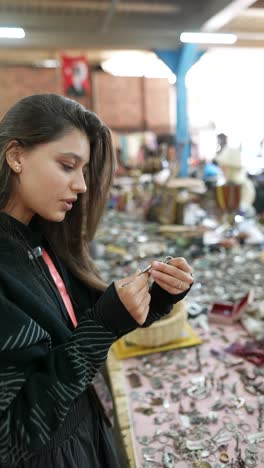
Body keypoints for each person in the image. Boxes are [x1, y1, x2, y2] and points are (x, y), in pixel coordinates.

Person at [0, 94, 193, 468]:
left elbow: (70, 334)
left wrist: (152, 300)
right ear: (16, 156)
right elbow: (14, 434)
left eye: (83, 170)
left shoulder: (38, 240)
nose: (82, 185)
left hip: (83, 439)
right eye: (67, 165)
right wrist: (103, 325)